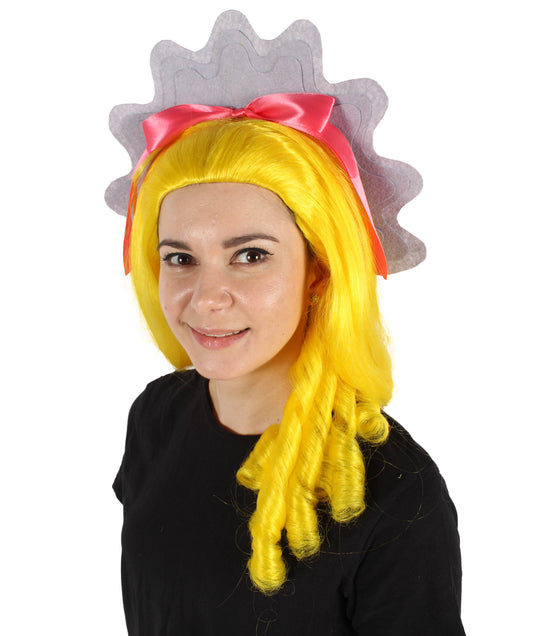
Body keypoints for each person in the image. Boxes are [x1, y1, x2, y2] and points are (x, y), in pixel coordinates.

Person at [111, 101, 466, 634]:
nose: (206, 298)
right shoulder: (157, 415)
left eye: (250, 255)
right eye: (180, 258)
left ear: (318, 270)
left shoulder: (396, 492)